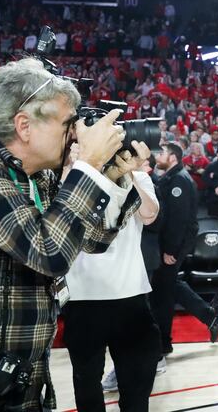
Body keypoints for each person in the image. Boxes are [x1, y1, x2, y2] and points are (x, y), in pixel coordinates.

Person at [0, 58, 137, 411]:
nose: (75, 133)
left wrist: (109, 176)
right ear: (24, 126)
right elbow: (49, 252)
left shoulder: (37, 177)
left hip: (21, 383)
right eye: (68, 123)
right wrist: (88, 168)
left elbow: (94, 240)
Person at [62, 142, 162, 412]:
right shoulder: (73, 177)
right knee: (87, 384)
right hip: (83, 296)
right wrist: (78, 165)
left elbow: (150, 215)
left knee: (136, 384)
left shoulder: (139, 177)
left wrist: (127, 174)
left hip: (130, 294)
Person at [150, 143, 218, 368]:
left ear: (173, 157)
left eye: (161, 153)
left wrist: (170, 250)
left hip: (173, 245)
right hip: (171, 244)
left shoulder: (178, 180)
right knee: (169, 288)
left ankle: (208, 318)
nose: (157, 156)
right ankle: (166, 340)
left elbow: (177, 221)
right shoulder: (172, 177)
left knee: (164, 292)